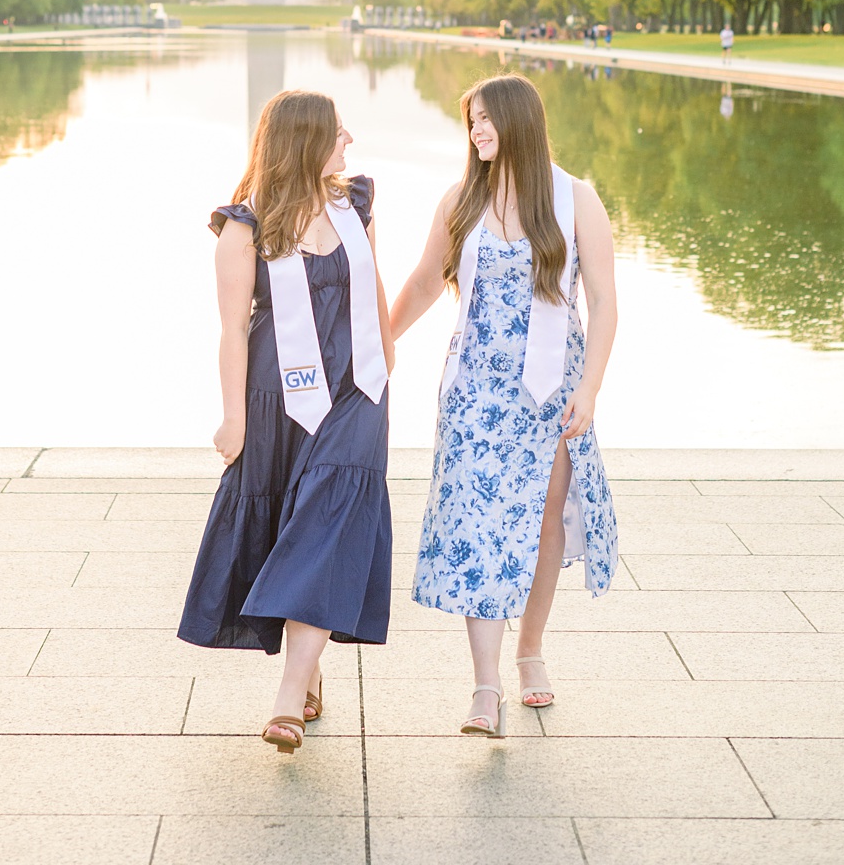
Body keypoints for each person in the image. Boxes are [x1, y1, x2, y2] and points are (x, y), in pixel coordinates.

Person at [388, 73, 620, 735]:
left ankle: (531, 650)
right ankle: (484, 687)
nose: (476, 131)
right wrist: (378, 344)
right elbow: (425, 283)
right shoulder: (462, 199)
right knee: (475, 524)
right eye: (471, 121)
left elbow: (602, 301)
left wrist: (592, 387)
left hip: (553, 387)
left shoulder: (576, 201)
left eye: (486, 119)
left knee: (545, 520)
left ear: (520, 120)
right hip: (474, 393)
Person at [178, 90, 393, 753]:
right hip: (282, 397)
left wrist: (390, 360)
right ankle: (309, 671)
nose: (349, 138)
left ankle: (284, 704)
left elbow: (375, 287)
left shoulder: (355, 204)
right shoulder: (245, 226)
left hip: (358, 394)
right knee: (293, 532)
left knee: (331, 518)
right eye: (336, 131)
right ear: (305, 140)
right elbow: (234, 331)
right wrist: (232, 418)